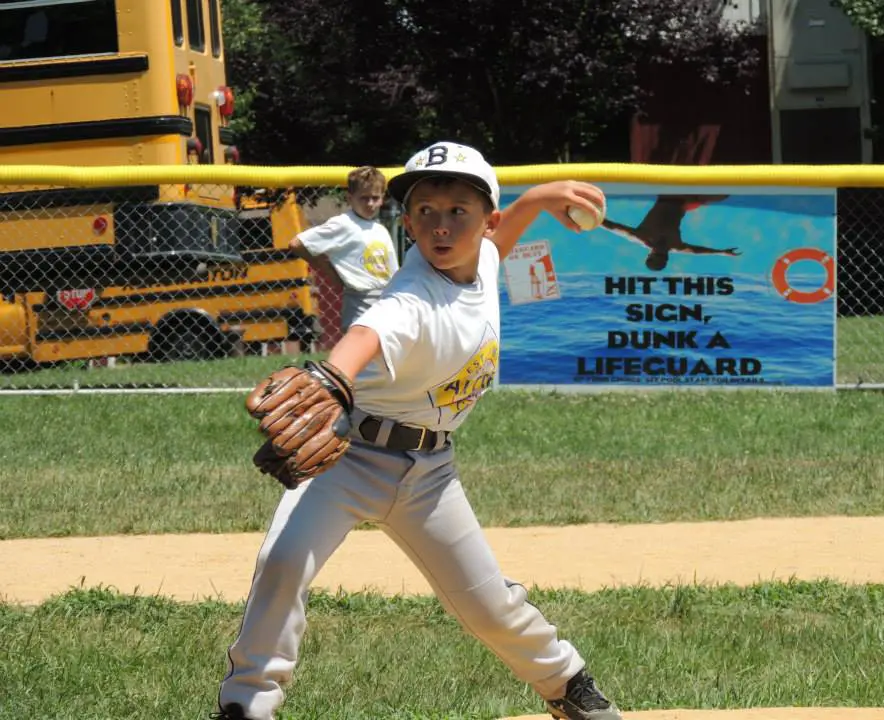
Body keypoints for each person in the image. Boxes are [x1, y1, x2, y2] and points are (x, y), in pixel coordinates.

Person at [213, 142, 622, 720]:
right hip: (349, 458)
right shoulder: (410, 296)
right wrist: (333, 379)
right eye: (426, 211)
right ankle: (246, 706)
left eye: (459, 211)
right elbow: (367, 335)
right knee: (283, 565)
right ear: (407, 224)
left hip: (430, 473)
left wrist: (540, 197)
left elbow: (499, 247)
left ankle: (568, 687)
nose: (441, 225)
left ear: (487, 223)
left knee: (488, 607)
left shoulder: (479, 260)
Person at [289, 166, 399, 332]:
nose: (370, 204)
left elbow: (393, 271)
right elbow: (297, 243)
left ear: (383, 198)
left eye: (375, 198)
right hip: (361, 304)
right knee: (363, 353)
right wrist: (328, 271)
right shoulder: (343, 224)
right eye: (364, 198)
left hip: (388, 300)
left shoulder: (379, 229)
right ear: (350, 198)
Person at [601, 194, 740, 271]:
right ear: (667, 258)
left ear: (650, 254)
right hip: (687, 202)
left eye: (659, 254)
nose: (663, 252)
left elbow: (612, 226)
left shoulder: (641, 237)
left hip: (667, 196)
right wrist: (722, 252)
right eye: (664, 256)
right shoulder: (676, 246)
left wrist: (589, 219)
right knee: (722, 194)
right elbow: (697, 251)